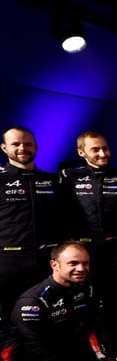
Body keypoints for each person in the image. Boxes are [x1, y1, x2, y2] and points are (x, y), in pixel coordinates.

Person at [0, 241, 117, 361]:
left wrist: (109, 357)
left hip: (59, 354)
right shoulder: (32, 302)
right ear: (55, 265)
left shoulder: (85, 290)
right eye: (73, 263)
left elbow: (95, 327)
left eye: (85, 263)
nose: (81, 268)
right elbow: (37, 349)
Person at [59, 131, 117, 326]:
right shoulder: (68, 176)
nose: (103, 153)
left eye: (106, 148)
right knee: (85, 303)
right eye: (96, 149)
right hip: (85, 251)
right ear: (81, 152)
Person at [0, 126, 62, 340]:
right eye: (16, 144)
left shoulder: (53, 181)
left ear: (35, 147)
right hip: (8, 261)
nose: (22, 148)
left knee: (48, 314)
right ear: (4, 147)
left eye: (27, 144)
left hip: (46, 261)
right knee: (10, 316)